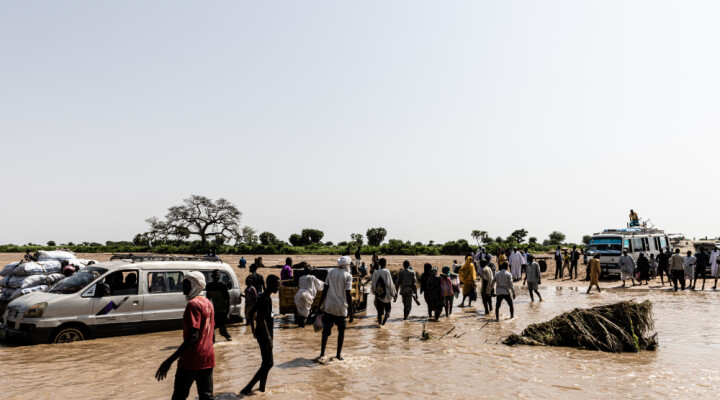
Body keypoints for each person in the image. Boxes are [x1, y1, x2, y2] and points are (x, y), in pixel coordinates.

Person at [155, 272, 215, 400]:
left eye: (186, 284)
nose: (182, 287)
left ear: (195, 286)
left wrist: (169, 360)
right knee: (207, 396)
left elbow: (193, 336)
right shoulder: (208, 303)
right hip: (208, 357)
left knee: (179, 396)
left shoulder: (193, 305)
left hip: (191, 358)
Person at [241, 275, 280, 395]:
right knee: (269, 363)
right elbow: (261, 319)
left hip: (262, 333)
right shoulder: (265, 299)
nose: (278, 287)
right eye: (276, 284)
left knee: (265, 362)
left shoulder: (263, 296)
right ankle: (248, 388)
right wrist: (268, 338)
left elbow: (252, 312)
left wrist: (253, 330)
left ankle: (262, 388)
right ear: (270, 284)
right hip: (265, 334)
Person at [317, 256, 354, 361]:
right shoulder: (348, 276)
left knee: (326, 331)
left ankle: (322, 353)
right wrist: (351, 313)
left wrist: (320, 305)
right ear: (347, 265)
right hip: (341, 308)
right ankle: (338, 355)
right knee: (341, 332)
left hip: (329, 307)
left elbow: (325, 289)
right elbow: (348, 294)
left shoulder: (330, 272)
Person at [205, 269, 232, 341]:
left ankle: (223, 338)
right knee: (215, 326)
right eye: (216, 275)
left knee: (219, 326)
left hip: (222, 310)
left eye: (218, 275)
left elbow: (228, 299)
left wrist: (228, 313)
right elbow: (207, 299)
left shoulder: (222, 286)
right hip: (214, 310)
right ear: (212, 276)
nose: (217, 277)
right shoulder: (209, 286)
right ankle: (219, 338)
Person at [371, 258, 396, 326]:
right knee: (388, 309)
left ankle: (380, 324)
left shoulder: (376, 272)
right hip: (386, 294)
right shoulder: (387, 272)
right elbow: (390, 284)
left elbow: (373, 284)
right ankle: (385, 320)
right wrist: (394, 294)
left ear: (379, 264)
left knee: (379, 311)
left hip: (379, 294)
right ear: (385, 263)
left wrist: (375, 293)